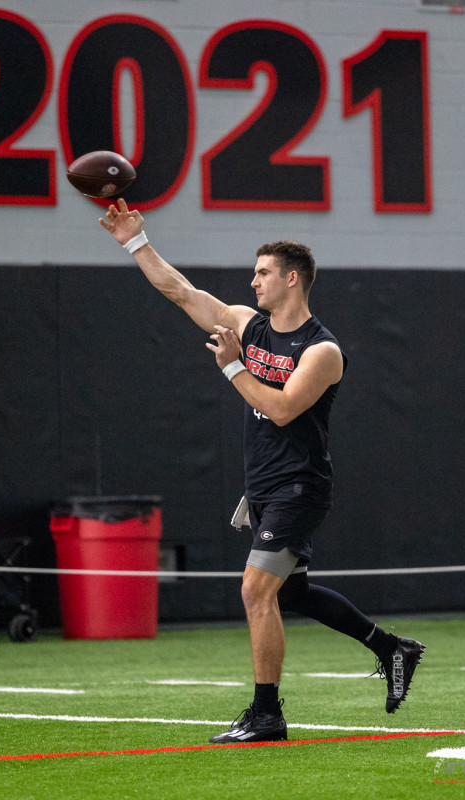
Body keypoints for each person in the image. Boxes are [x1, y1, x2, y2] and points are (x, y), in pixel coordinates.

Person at [98, 199, 425, 744]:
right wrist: (136, 241)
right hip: (265, 486)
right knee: (289, 595)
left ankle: (267, 715)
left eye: (262, 273)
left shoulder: (323, 351)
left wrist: (231, 367)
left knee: (255, 591)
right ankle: (391, 648)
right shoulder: (249, 324)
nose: (252, 283)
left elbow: (280, 409)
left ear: (291, 279)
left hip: (301, 486)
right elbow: (180, 291)